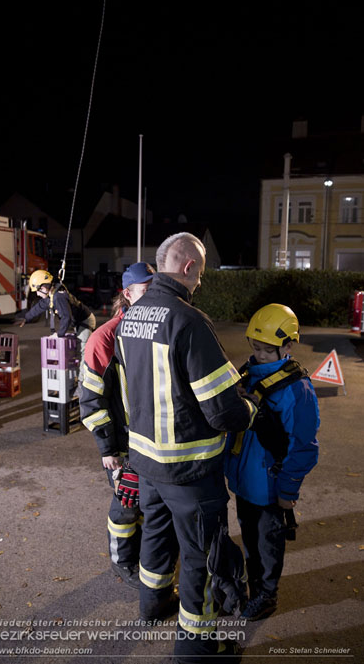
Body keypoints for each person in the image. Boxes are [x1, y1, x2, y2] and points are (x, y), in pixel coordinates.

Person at [114, 233, 258, 664]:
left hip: (145, 461)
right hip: (189, 470)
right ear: (190, 267)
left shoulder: (131, 316)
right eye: (201, 274)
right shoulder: (188, 320)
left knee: (156, 540)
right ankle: (198, 648)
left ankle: (152, 605)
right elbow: (223, 410)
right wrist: (250, 409)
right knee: (201, 559)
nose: (199, 284)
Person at [225, 303, 320, 621]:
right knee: (250, 539)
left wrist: (288, 490)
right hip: (244, 481)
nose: (259, 355)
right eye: (256, 348)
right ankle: (255, 587)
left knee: (268, 545)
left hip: (269, 486)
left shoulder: (297, 390)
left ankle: (267, 596)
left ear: (288, 346)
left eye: (268, 350)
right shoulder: (249, 374)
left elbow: (304, 447)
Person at [80, 262, 155, 589]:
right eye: (147, 291)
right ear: (128, 294)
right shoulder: (104, 338)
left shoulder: (157, 330)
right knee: (126, 505)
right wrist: (107, 449)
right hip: (123, 447)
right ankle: (122, 562)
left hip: (153, 443)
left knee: (149, 505)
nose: (154, 299)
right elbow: (90, 400)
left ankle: (144, 558)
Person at [20, 270, 96, 386]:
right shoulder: (52, 294)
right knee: (78, 352)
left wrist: (59, 334)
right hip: (79, 322)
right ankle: (78, 379)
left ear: (44, 287)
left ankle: (83, 384)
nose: (37, 294)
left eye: (38, 291)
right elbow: (40, 306)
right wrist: (26, 318)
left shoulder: (58, 297)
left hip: (84, 322)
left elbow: (66, 317)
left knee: (83, 352)